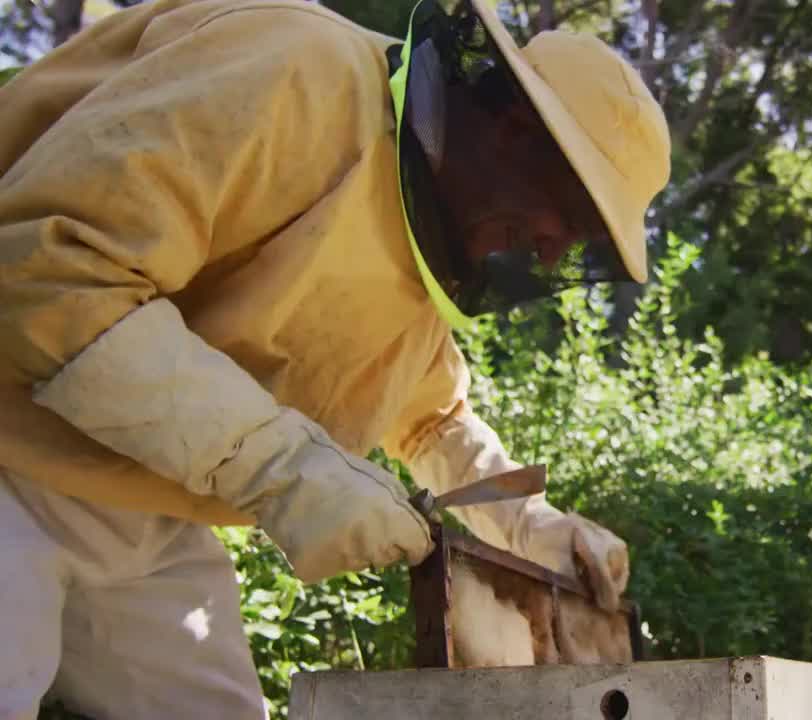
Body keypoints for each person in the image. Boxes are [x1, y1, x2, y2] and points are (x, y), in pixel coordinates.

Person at [0, 0, 671, 716]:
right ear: (514, 131)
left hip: (144, 508)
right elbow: (48, 277)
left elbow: (434, 422)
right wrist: (281, 466)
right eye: (564, 213)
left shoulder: (437, 241)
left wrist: (530, 522)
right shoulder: (294, 69)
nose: (551, 251)